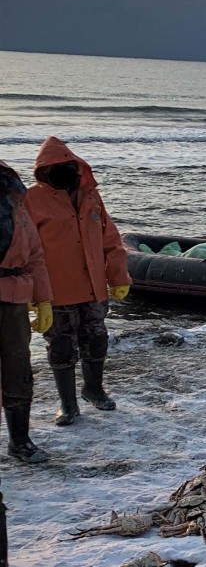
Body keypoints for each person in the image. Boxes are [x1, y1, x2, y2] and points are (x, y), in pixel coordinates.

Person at [25, 137, 130, 426]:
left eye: (69, 166)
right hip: (55, 290)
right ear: (44, 171)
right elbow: (26, 251)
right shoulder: (31, 199)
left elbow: (111, 239)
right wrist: (35, 297)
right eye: (56, 167)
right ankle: (67, 403)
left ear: (77, 167)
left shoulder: (92, 196)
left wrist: (119, 276)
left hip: (93, 287)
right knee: (60, 345)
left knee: (97, 339)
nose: (64, 171)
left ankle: (93, 390)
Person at [0, 161, 53, 463]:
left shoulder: (18, 206)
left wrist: (43, 299)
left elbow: (35, 255)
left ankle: (20, 441)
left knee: (18, 371)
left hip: (15, 300)